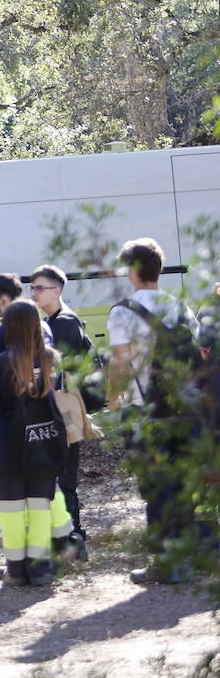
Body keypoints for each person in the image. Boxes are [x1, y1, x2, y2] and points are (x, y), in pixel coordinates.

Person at [108, 238, 201, 585]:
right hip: (181, 409)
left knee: (155, 486)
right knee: (179, 483)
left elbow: (120, 362)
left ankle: (164, 563)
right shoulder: (179, 307)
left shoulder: (123, 311)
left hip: (143, 409)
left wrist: (113, 399)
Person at [0, 301, 60, 588]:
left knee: (11, 508)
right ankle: (39, 569)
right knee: (40, 504)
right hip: (43, 438)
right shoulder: (51, 357)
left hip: (7, 442)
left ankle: (15, 569)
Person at [29, 264, 92, 557]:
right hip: (64, 407)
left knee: (64, 476)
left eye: (39, 287)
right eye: (32, 288)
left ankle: (73, 539)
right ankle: (68, 537)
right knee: (60, 473)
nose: (34, 293)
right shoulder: (56, 320)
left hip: (65, 408)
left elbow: (58, 371)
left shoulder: (64, 322)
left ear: (57, 290)